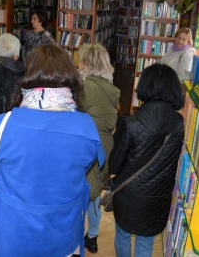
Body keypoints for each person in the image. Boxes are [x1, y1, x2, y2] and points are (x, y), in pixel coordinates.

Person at [0, 44, 105, 257]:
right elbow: (87, 163)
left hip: (13, 231)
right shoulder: (86, 126)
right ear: (70, 74)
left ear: (29, 74)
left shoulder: (3, 124)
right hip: (62, 231)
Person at [109, 63, 184, 257]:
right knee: (145, 242)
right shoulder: (179, 123)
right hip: (158, 197)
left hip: (129, 194)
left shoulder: (131, 123)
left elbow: (114, 165)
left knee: (123, 236)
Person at [78, 43, 120, 254]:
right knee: (95, 192)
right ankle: (92, 236)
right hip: (105, 146)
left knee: (81, 193)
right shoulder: (111, 88)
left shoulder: (84, 87)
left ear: (86, 62)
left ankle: (77, 240)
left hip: (86, 145)